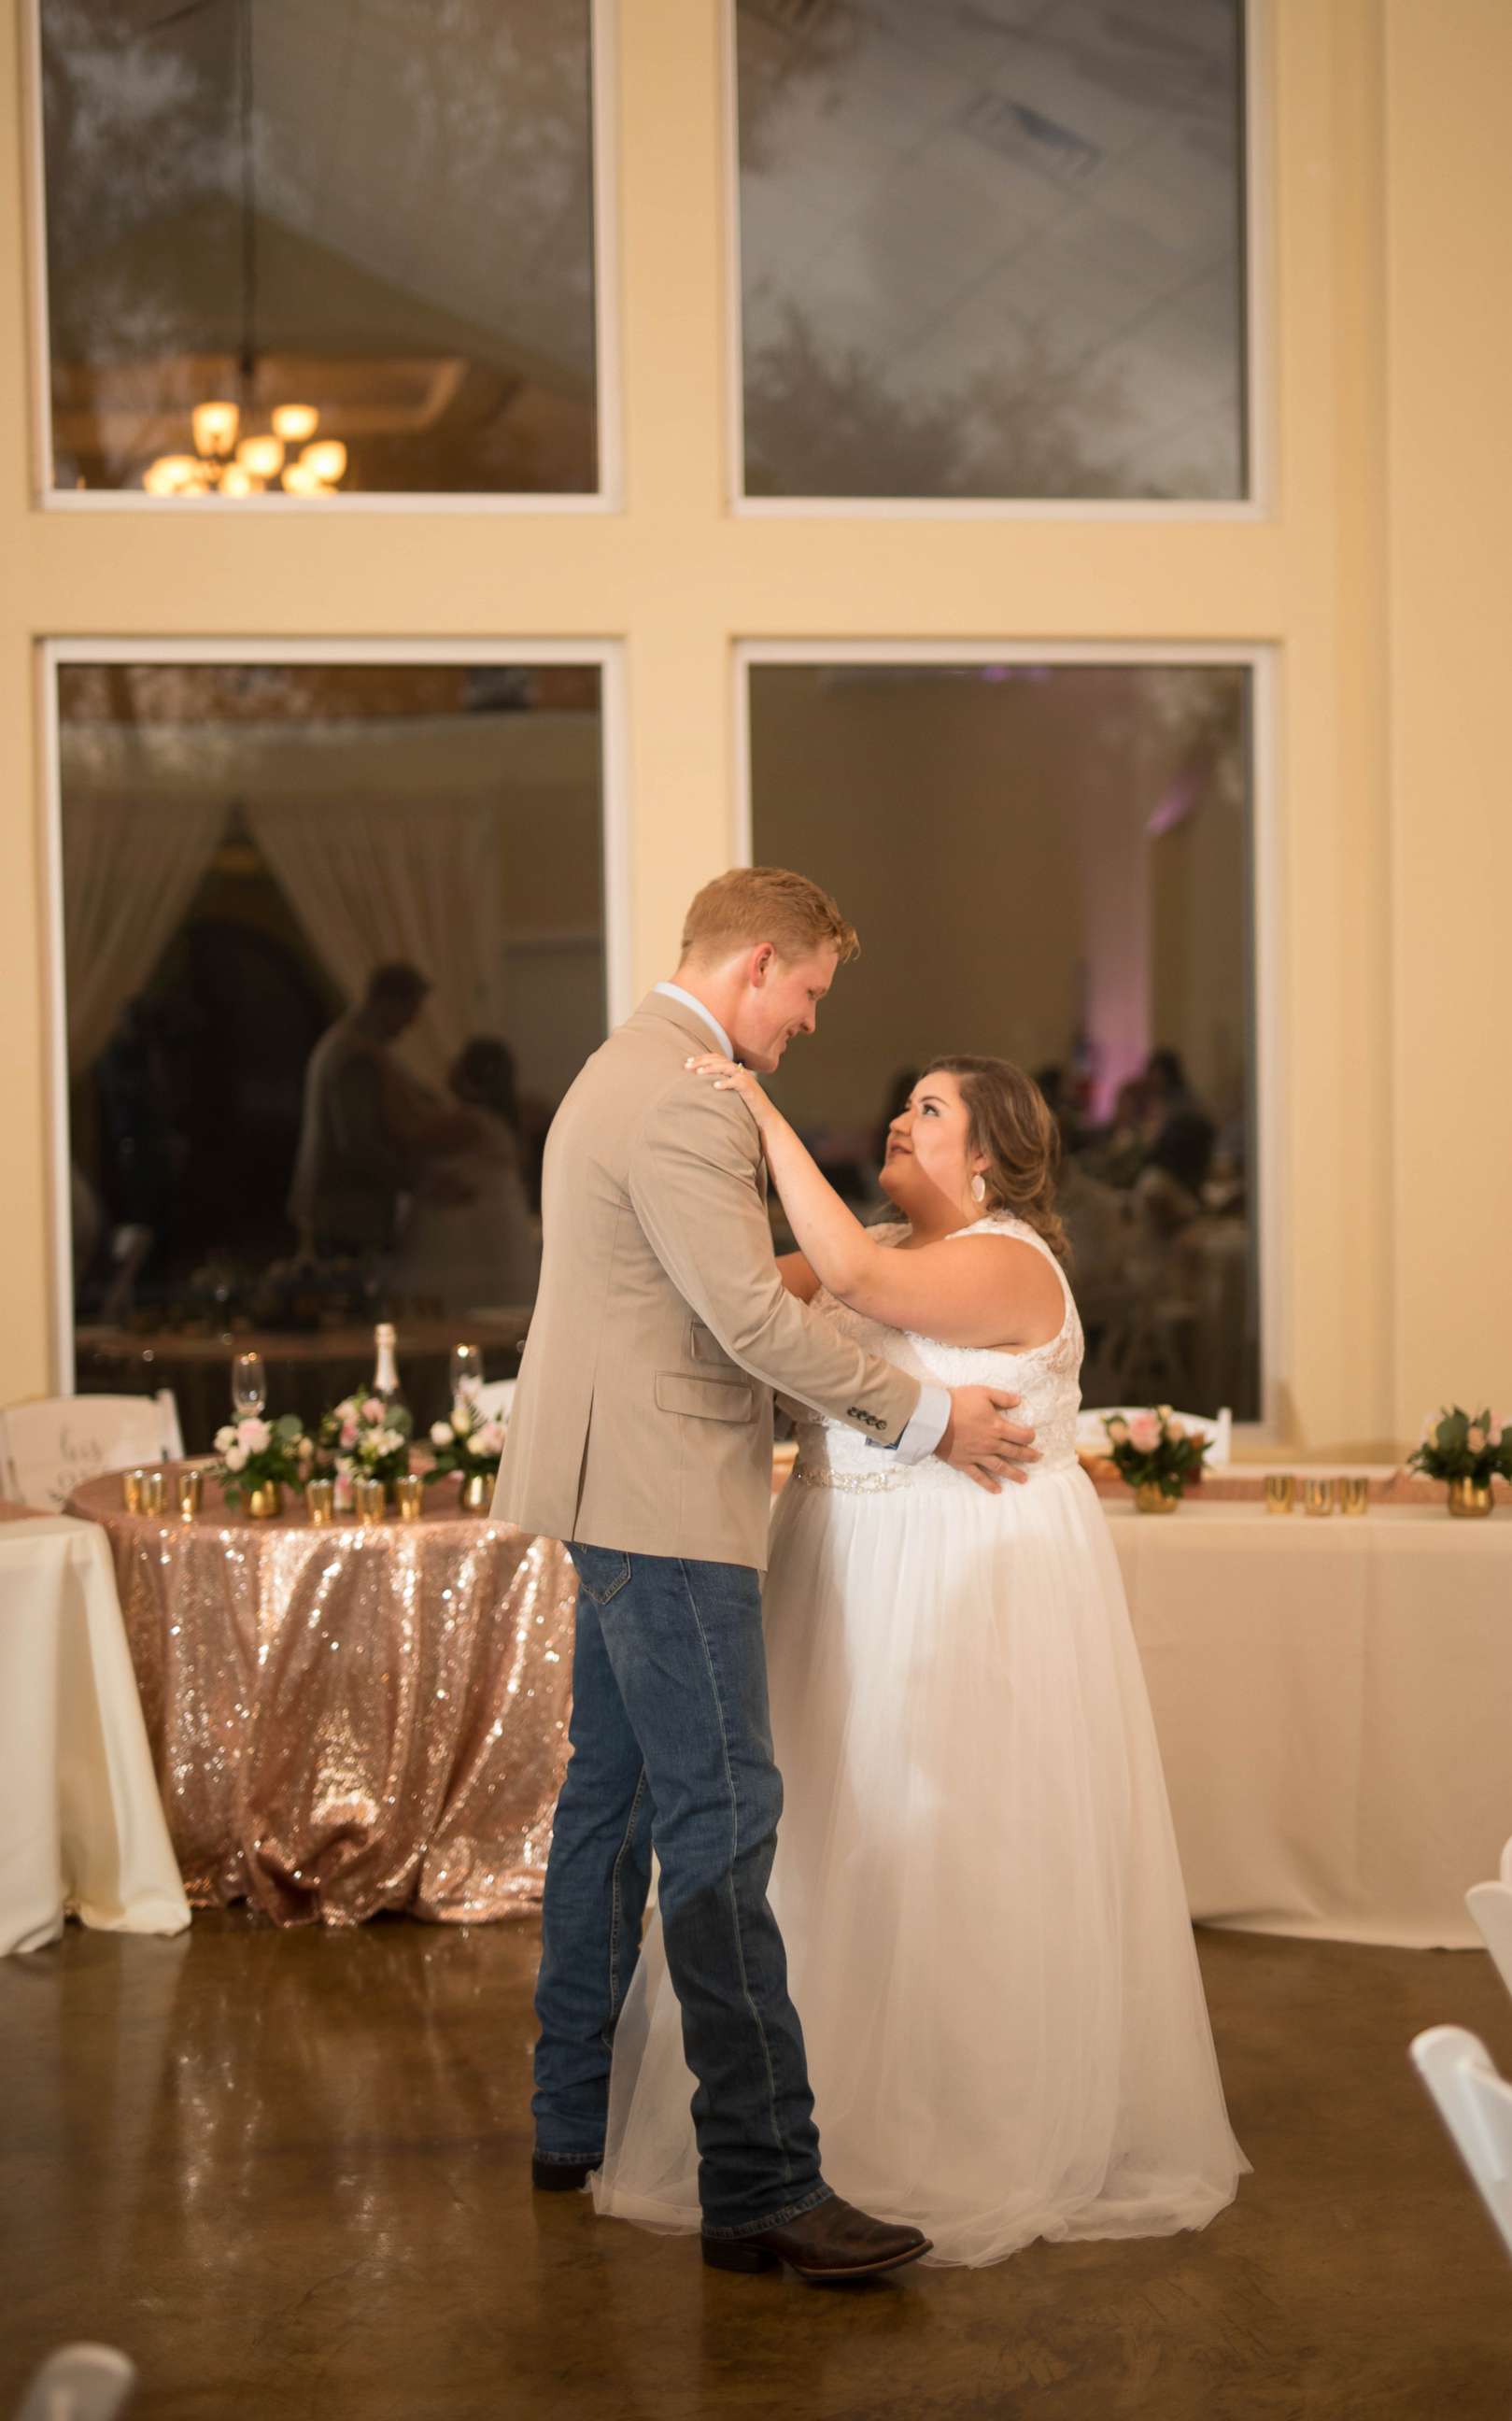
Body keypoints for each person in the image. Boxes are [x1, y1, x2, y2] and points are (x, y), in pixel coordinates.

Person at [593, 1051, 1249, 2266]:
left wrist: (755, 1103)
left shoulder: (1002, 1260)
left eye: (928, 1111)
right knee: (836, 1844)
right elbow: (730, 1289)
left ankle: (968, 2124)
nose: (899, 1119)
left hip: (968, 1586)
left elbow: (843, 1274)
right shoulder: (889, 1240)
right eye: (900, 1104)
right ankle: (806, 2132)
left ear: (990, 1155)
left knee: (955, 1843)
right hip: (840, 1570)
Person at [493, 867, 1039, 2285]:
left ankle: (567, 2122)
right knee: (722, 1832)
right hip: (664, 1500)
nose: (805, 1024)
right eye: (805, 993)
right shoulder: (681, 1092)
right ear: (753, 963)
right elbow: (743, 1320)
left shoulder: (617, 1070)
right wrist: (922, 1420)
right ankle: (763, 2185)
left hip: (614, 1484)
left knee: (608, 1812)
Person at [288, 963, 462, 1259]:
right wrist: (420, 1183)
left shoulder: (352, 1045)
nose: (411, 1023)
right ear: (387, 1003)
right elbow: (357, 1144)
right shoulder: (355, 1056)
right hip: (345, 1214)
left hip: (343, 1211)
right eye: (410, 1011)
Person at [394, 1036, 540, 1310]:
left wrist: (396, 1085)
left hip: (463, 1237)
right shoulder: (504, 1119)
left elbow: (408, 1137)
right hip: (488, 1232)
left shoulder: (471, 1121)